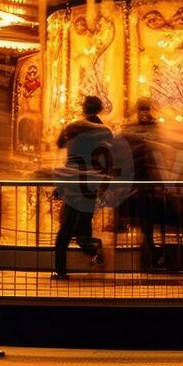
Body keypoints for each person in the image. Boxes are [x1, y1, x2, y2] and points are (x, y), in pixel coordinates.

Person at [52, 95, 112, 279]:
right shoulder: (105, 131)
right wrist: (104, 182)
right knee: (79, 225)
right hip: (89, 184)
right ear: (99, 109)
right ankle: (94, 251)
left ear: (84, 108)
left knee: (66, 229)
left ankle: (60, 270)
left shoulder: (74, 127)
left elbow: (59, 143)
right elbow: (108, 159)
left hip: (73, 182)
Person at [114, 99, 164, 269]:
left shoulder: (132, 132)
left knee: (145, 220)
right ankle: (149, 252)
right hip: (143, 183)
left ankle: (148, 251)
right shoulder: (148, 131)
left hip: (139, 183)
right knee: (146, 221)